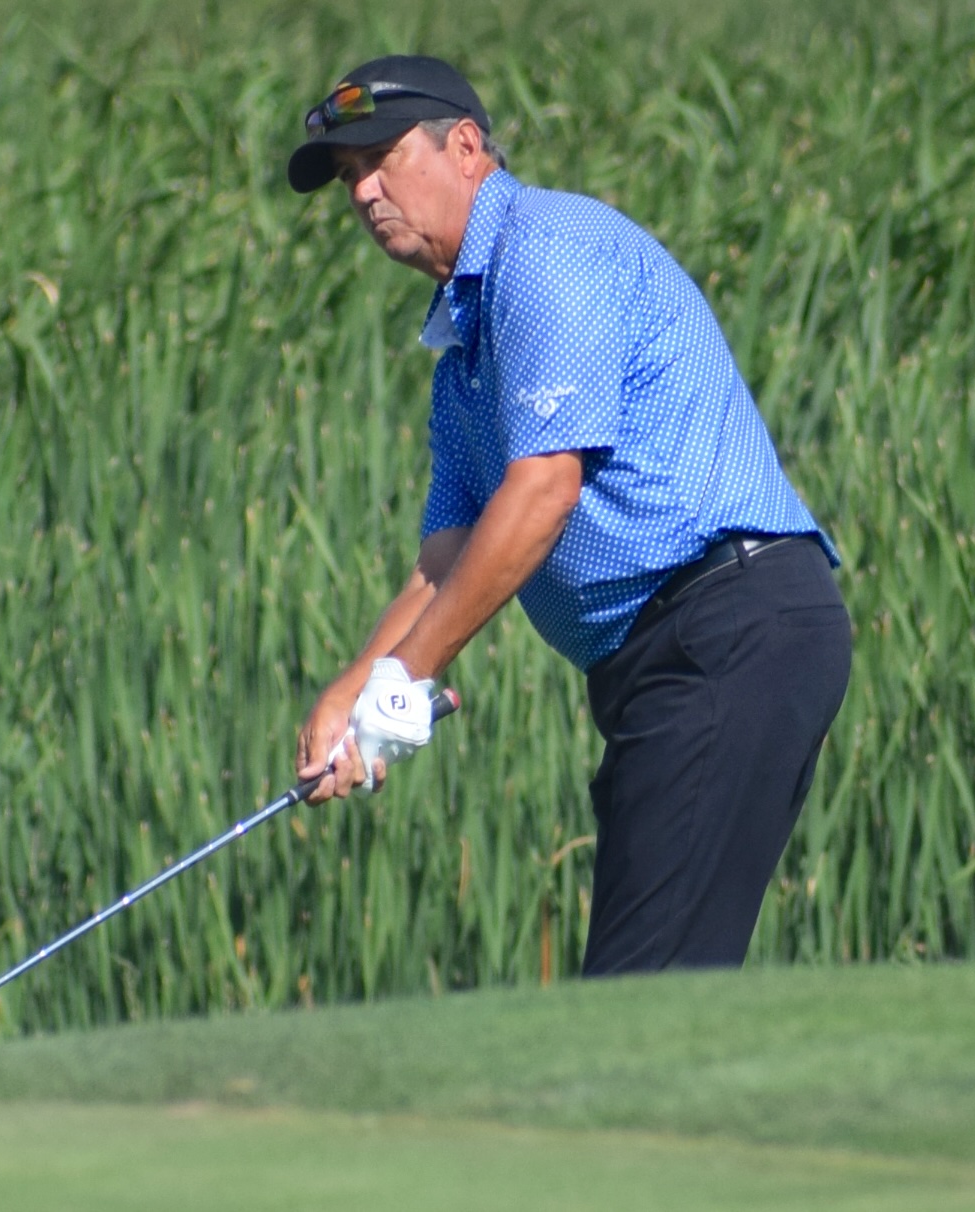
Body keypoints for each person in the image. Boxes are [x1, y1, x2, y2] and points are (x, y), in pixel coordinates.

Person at [286, 55, 852, 972]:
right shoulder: (462, 359)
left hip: (726, 626)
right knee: (653, 983)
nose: (364, 192)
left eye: (382, 159)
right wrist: (359, 690)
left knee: (640, 995)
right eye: (351, 176)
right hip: (661, 663)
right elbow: (446, 557)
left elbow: (545, 490)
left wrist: (408, 677)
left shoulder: (546, 249)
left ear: (465, 147)